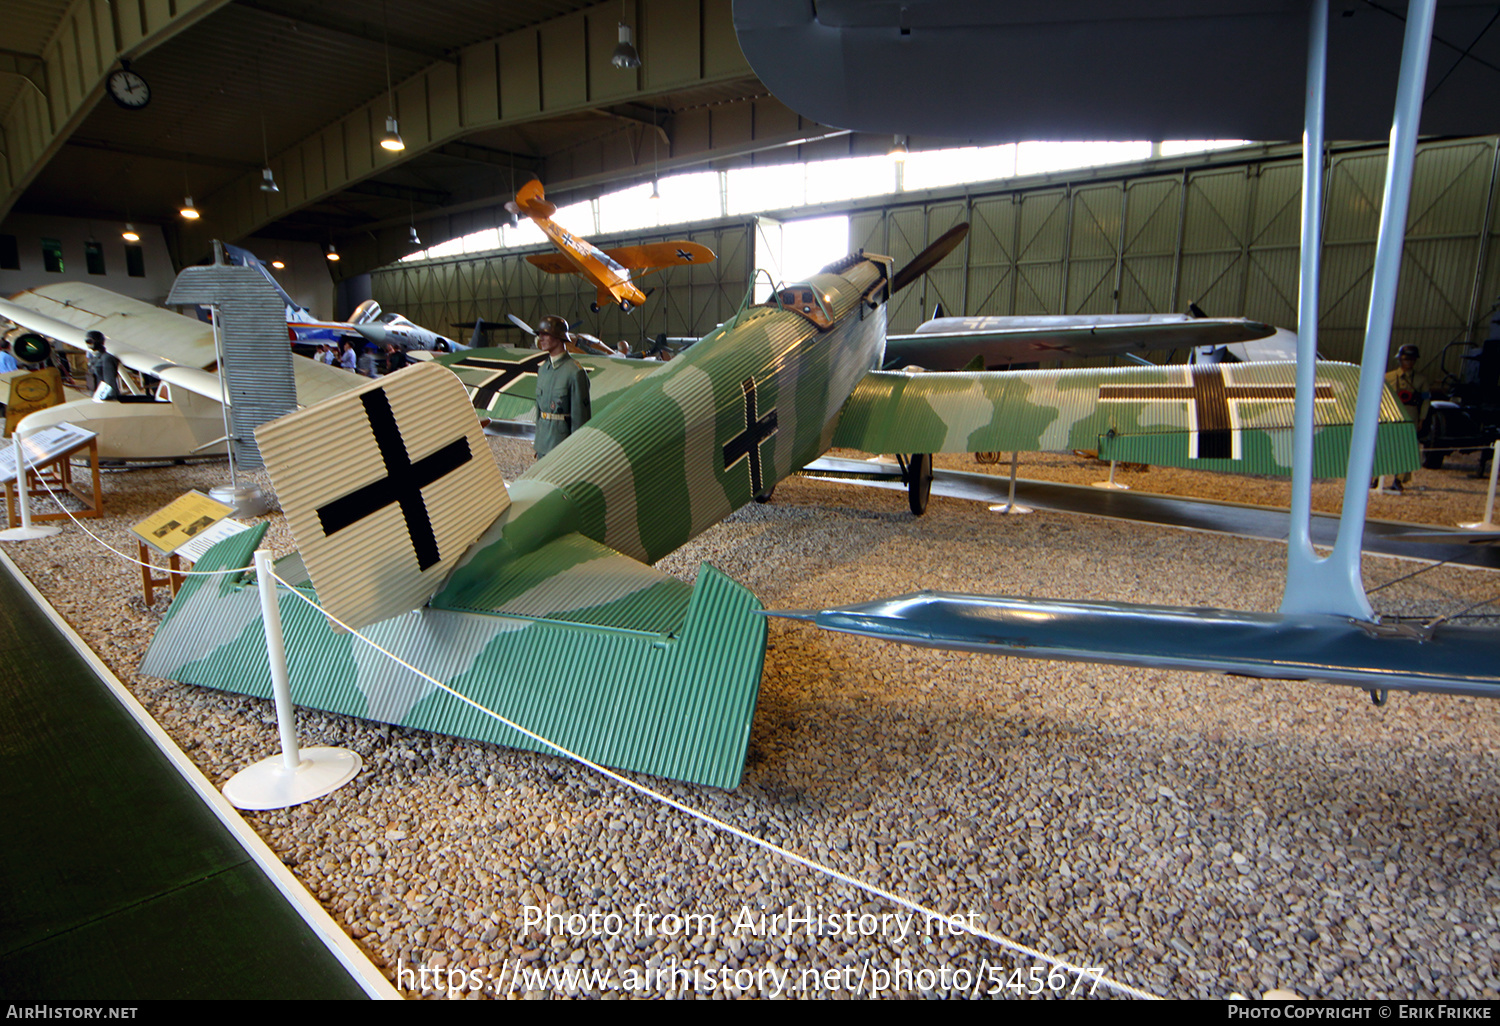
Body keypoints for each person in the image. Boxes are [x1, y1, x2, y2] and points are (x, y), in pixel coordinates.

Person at [533, 314, 590, 458]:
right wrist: (538, 445)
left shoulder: (575, 372)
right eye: (540, 334)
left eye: (546, 334)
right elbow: (539, 412)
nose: (541, 338)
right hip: (542, 446)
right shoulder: (543, 370)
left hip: (561, 448)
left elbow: (580, 419)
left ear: (559, 336)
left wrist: (576, 453)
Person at [1384, 344, 1433, 493]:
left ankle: (1399, 479)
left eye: (1411, 360)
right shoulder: (1389, 377)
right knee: (1383, 446)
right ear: (1399, 360)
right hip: (1390, 414)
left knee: (1405, 448)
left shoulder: (1421, 379)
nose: (1408, 363)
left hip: (1411, 414)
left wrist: (1422, 418)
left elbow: (1426, 400)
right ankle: (1375, 478)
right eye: (1405, 359)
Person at [86, 330, 120, 399]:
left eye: (90, 341)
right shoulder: (94, 358)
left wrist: (110, 398)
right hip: (95, 394)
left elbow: (109, 382)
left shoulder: (106, 358)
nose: (88, 344)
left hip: (104, 397)